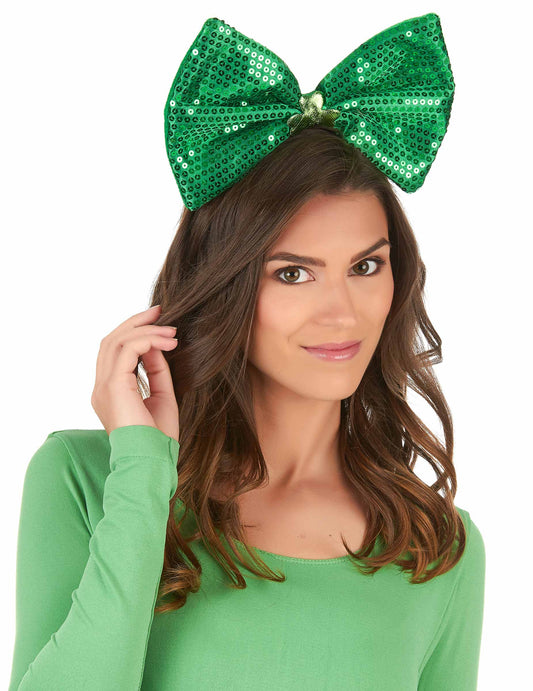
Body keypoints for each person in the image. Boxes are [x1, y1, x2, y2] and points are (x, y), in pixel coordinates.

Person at [8, 13, 485, 691]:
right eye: (292, 273)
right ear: (224, 284)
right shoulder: (85, 480)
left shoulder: (435, 547)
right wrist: (142, 475)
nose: (341, 311)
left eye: (365, 266)